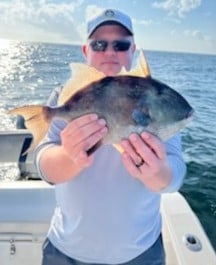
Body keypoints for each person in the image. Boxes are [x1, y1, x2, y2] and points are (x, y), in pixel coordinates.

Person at [35, 8, 186, 265]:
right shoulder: (66, 96)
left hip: (140, 253)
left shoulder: (151, 96)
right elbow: (44, 167)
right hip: (66, 250)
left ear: (133, 49)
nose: (110, 52)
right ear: (86, 51)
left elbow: (175, 175)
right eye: (99, 44)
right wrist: (70, 156)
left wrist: (156, 172)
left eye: (120, 44)